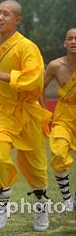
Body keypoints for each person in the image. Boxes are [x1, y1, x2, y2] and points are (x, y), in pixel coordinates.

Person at [0, 0, 52, 231]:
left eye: (6, 14)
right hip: (0, 109)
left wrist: (5, 76)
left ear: (17, 20)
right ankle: (3, 204)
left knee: (37, 167)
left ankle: (41, 207)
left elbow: (35, 78)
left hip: (26, 110)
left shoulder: (27, 47)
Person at [43, 28, 76, 212]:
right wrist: (44, 112)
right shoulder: (55, 66)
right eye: (70, 38)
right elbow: (40, 87)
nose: (74, 41)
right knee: (58, 151)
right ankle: (67, 200)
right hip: (63, 115)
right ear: (65, 43)